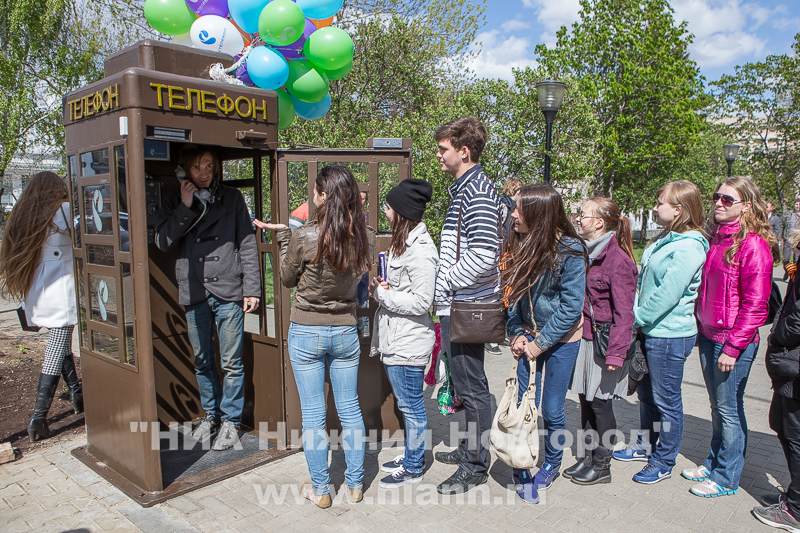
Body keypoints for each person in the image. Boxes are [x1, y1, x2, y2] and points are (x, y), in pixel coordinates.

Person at [255, 165, 376, 509]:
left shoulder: (305, 236)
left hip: (307, 330)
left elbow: (287, 279)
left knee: (313, 415)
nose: (312, 196)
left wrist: (282, 238)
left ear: (324, 196)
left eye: (315, 192)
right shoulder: (362, 234)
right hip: (344, 331)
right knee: (350, 409)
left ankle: (321, 490)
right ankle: (354, 486)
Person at [155, 146, 261, 451]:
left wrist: (252, 288)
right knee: (202, 360)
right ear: (184, 171)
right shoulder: (174, 201)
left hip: (228, 290)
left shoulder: (232, 198)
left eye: (209, 168)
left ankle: (230, 421)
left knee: (231, 362)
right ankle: (210, 415)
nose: (204, 174)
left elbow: (247, 243)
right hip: (195, 290)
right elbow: (163, 242)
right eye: (198, 168)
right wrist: (186, 206)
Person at [682, 177, 777, 497]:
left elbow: (755, 306)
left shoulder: (753, 245)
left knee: (728, 408)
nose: (718, 203)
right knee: (717, 405)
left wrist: (734, 347)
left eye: (727, 199)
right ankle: (714, 459)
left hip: (732, 342)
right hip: (709, 336)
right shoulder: (715, 238)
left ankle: (726, 476)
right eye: (716, 197)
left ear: (746, 206)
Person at [613, 180, 709, 485]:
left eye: (660, 202)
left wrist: (635, 317)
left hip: (669, 335)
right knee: (647, 395)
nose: (656, 207)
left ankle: (664, 460)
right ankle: (646, 445)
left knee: (667, 400)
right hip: (649, 331)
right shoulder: (667, 238)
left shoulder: (689, 246)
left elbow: (667, 293)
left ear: (678, 209)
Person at [431, 116, 502, 495]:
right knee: (464, 383)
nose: (439, 156)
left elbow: (485, 253)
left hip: (469, 306)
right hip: (460, 305)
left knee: (472, 388)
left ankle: (475, 465)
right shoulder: (466, 188)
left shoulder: (476, 191)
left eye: (443, 149)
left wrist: (447, 281)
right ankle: (468, 451)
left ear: (464, 151)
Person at [504, 183, 587, 503]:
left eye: (518, 209)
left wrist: (541, 343)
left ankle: (551, 463)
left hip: (562, 342)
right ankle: (521, 468)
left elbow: (570, 308)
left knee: (552, 410)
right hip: (528, 341)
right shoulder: (521, 243)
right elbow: (513, 299)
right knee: (523, 407)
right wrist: (516, 333)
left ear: (538, 215)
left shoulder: (571, 250)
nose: (512, 214)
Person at [0, 172, 82, 442]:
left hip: (39, 291)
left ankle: (77, 394)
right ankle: (38, 419)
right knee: (57, 347)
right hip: (62, 291)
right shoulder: (64, 211)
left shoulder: (25, 216)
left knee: (62, 344)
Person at [369, 179, 438, 488]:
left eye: (388, 207)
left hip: (409, 342)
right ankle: (412, 455)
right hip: (397, 338)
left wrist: (384, 296)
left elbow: (424, 302)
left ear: (401, 213)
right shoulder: (404, 244)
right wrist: (386, 289)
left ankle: (413, 467)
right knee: (407, 404)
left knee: (411, 407)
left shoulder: (421, 251)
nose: (384, 211)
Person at [566, 197, 637, 485]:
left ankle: (603, 464)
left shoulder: (618, 261)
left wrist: (616, 355)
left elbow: (625, 314)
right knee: (585, 400)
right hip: (585, 339)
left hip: (605, 345)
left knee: (600, 403)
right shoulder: (585, 252)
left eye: (582, 215)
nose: (578, 219)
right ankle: (588, 456)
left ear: (599, 222)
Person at [754, 233, 800, 530]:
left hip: (793, 359)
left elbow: (796, 319)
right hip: (788, 362)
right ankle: (794, 496)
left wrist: (777, 338)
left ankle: (795, 511)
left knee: (795, 434)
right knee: (781, 425)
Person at [486, 178, 524, 355]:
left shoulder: (505, 205)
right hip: (504, 255)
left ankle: (499, 332)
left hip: (506, 254)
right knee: (501, 292)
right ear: (515, 191)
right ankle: (492, 336)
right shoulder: (505, 206)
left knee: (505, 292)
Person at [782, 197, 800, 279]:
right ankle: (787, 270)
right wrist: (781, 237)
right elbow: (782, 225)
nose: (797, 206)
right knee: (785, 258)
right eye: (796, 204)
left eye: (799, 204)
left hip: (798, 240)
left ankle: (795, 276)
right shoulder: (789, 214)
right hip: (788, 238)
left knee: (797, 260)